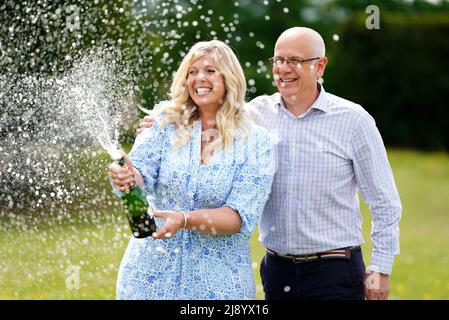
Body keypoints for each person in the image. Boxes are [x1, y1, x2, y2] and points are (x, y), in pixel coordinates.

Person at [138, 27, 402, 300]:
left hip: (334, 269)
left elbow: (384, 202)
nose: (284, 69)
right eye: (278, 60)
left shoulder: (353, 120)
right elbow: (208, 112)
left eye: (295, 61)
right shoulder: (253, 117)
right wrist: (162, 121)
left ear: (320, 65)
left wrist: (380, 268)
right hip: (277, 270)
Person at [108, 40, 277, 300]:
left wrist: (185, 220)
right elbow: (140, 177)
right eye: (193, 71)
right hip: (149, 278)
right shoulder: (164, 123)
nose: (200, 78)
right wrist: (127, 175)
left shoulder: (256, 142)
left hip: (218, 285)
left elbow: (238, 217)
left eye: (210, 71)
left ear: (229, 78)